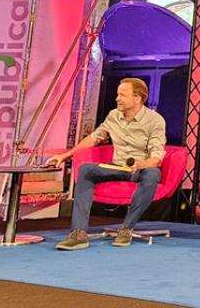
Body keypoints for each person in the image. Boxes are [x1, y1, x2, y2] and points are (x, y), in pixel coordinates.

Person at [48, 78, 167, 250]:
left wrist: (143, 164)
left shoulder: (155, 120)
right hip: (117, 167)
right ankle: (79, 232)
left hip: (141, 168)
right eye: (118, 94)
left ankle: (126, 228)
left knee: (153, 174)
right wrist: (65, 155)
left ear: (137, 98)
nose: (117, 98)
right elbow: (94, 138)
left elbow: (157, 156)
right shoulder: (113, 116)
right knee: (86, 169)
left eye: (122, 95)